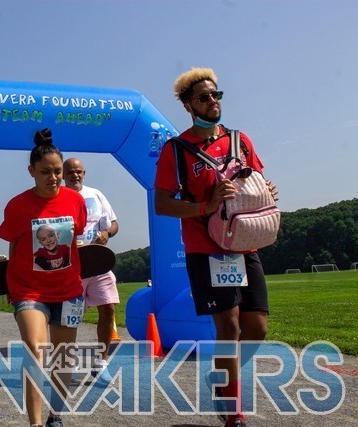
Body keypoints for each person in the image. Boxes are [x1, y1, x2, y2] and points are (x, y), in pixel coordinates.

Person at [154, 67, 278, 427]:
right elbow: (162, 204)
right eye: (204, 97)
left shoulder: (241, 140)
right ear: (188, 106)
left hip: (244, 243)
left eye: (216, 95)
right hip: (205, 247)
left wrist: (266, 191)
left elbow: (256, 181)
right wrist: (205, 206)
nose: (213, 101)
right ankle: (233, 411)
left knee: (257, 329)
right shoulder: (176, 150)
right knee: (229, 326)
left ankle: (222, 378)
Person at [0, 128, 87, 427]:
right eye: (45, 172)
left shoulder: (75, 201)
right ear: (31, 172)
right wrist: (11, 284)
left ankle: (55, 416)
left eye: (58, 171)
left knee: (63, 357)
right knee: (36, 350)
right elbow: (13, 244)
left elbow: (75, 240)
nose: (54, 178)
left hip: (69, 291)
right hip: (29, 291)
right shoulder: (18, 205)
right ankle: (35, 423)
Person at [63, 157, 120, 383]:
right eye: (70, 172)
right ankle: (70, 363)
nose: (75, 175)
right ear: (63, 175)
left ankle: (101, 363)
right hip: (71, 265)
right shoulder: (57, 197)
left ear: (84, 173)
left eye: (78, 171)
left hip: (98, 261)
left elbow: (113, 223)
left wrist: (106, 233)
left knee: (108, 308)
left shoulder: (96, 194)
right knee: (69, 317)